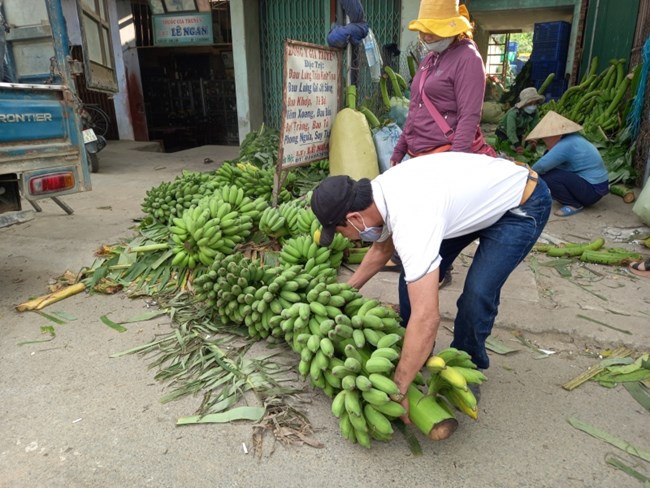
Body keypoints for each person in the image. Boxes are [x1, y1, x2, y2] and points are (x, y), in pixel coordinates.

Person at [310, 153, 551, 420]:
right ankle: (415, 350)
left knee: (478, 292)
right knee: (410, 278)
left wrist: (398, 389)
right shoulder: (378, 196)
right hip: (464, 207)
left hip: (519, 204)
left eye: (341, 231)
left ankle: (468, 360)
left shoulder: (412, 218)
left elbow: (428, 317)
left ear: (355, 217)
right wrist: (346, 291)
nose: (346, 238)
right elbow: (382, 248)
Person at [389, 0, 489, 165]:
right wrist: (399, 150)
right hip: (419, 156)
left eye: (433, 30)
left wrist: (453, 164)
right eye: (423, 30)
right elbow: (414, 109)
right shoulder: (430, 58)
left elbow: (469, 117)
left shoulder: (468, 58)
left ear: (452, 29)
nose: (426, 36)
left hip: (444, 157)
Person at [526, 111, 609, 217]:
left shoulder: (566, 144)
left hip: (592, 191)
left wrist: (525, 174)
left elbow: (540, 167)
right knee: (548, 171)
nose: (544, 141)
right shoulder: (573, 138)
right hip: (595, 186)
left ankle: (573, 204)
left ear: (557, 134)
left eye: (546, 137)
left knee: (549, 177)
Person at [495, 87, 545, 154]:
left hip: (519, 132)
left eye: (535, 103)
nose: (533, 106)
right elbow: (511, 131)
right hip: (504, 132)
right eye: (530, 104)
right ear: (524, 104)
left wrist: (533, 139)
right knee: (506, 150)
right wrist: (517, 145)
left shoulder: (534, 112)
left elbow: (534, 127)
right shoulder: (513, 113)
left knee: (521, 150)